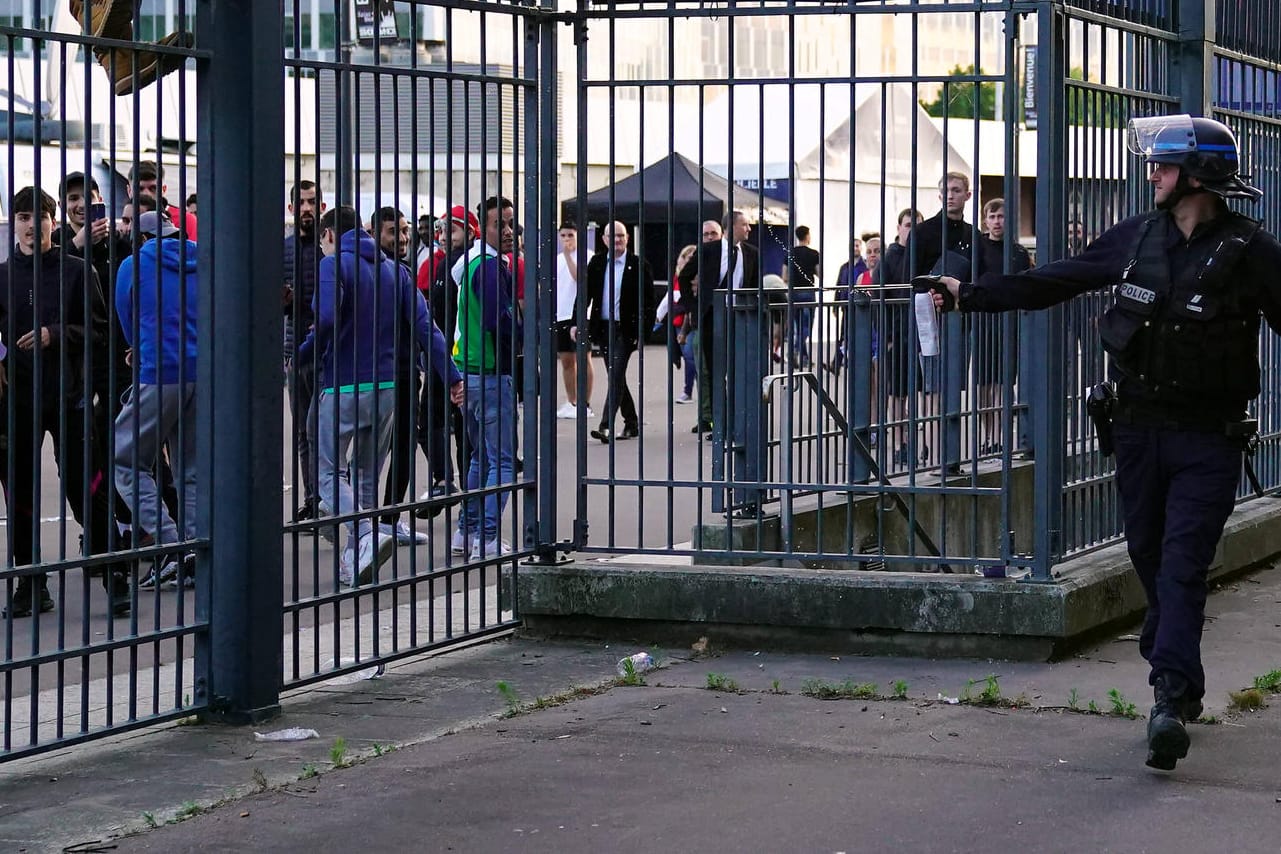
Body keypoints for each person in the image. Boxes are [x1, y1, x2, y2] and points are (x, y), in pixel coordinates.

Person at [933, 114, 1281, 772]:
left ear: (1196, 175)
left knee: (1181, 564)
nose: (1151, 174)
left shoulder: (1249, 250)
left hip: (1209, 438)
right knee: (1148, 554)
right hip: (1136, 430)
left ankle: (1168, 700)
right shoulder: (1136, 236)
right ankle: (1174, 660)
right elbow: (1056, 279)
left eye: (1163, 165)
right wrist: (971, 294)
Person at [299, 205, 463, 586]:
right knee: (367, 474)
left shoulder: (333, 263)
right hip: (387, 384)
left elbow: (324, 319)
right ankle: (357, 554)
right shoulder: (397, 271)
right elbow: (427, 328)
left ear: (327, 236)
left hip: (342, 383)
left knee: (327, 472)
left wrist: (304, 355)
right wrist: (451, 374)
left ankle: (365, 534)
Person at [0, 187, 129, 618]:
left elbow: (100, 332)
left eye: (40, 216)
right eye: (22, 216)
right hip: (17, 400)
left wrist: (56, 334)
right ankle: (30, 582)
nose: (32, 225)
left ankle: (115, 571)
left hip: (69, 395)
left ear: (53, 222)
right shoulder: (1, 276)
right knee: (19, 490)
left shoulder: (77, 271)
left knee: (84, 483)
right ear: (13, 223)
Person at [113, 211, 199, 589]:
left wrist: (140, 347)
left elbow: (126, 316)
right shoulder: (202, 257)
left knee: (125, 459)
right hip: (202, 373)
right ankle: (197, 549)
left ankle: (169, 542)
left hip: (159, 372)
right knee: (191, 469)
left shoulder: (134, 264)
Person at [452, 196, 522, 561]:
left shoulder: (472, 264)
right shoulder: (491, 268)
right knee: (503, 462)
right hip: (492, 374)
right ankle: (488, 539)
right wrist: (522, 358)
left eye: (511, 223)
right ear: (485, 228)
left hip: (469, 371)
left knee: (481, 457)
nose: (509, 231)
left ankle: (467, 529)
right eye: (500, 225)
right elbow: (500, 321)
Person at [371, 207, 430, 546]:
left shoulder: (405, 270)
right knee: (370, 451)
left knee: (405, 445)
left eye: (405, 231)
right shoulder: (373, 270)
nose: (404, 237)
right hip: (377, 372)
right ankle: (365, 521)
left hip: (407, 371)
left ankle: (388, 519)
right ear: (377, 233)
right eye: (395, 231)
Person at [415, 206, 474, 518]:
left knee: (465, 432)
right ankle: (445, 481)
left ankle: (458, 491)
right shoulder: (439, 264)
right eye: (441, 229)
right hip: (441, 356)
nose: (442, 235)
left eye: (452, 229)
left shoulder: (466, 263)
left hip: (460, 356)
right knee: (431, 424)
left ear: (470, 231)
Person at [684, 209, 760, 434]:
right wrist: (693, 306)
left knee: (738, 369)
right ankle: (722, 423)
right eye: (745, 224)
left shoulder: (752, 253)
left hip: (739, 316)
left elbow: (754, 286)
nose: (749, 229)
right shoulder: (709, 250)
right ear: (731, 227)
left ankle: (738, 420)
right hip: (712, 317)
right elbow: (684, 275)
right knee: (716, 371)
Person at [585, 221, 655, 443]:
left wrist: (643, 332)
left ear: (627, 238)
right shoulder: (596, 263)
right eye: (612, 236)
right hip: (604, 327)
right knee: (617, 376)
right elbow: (585, 294)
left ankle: (605, 425)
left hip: (626, 329)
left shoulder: (638, 264)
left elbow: (649, 302)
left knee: (615, 374)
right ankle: (632, 422)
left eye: (620, 236)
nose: (616, 240)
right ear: (604, 239)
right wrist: (578, 322)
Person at [973, 198, 1031, 454]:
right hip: (984, 320)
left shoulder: (1018, 252)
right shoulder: (978, 248)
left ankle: (997, 437)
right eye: (992, 217)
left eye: (1002, 217)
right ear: (985, 220)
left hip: (1010, 321)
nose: (997, 222)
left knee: (1003, 382)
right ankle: (989, 435)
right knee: (984, 384)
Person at [284, 181, 326, 522]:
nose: (307, 208)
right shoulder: (283, 249)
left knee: (324, 429)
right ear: (292, 209)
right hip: (296, 351)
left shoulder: (329, 248)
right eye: (301, 202)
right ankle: (313, 499)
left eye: (312, 202)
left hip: (328, 351)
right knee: (303, 432)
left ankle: (328, 497)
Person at [554, 221, 595, 419]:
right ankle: (572, 401)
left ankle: (584, 403)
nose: (566, 240)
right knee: (566, 361)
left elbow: (579, 277)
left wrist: (570, 255)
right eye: (563, 236)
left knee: (583, 357)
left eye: (570, 235)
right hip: (561, 313)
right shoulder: (557, 259)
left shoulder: (587, 257)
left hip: (580, 314)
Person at [128, 161, 197, 240]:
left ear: (163, 189)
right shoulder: (124, 220)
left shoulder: (185, 220)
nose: (146, 194)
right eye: (139, 189)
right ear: (129, 190)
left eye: (153, 188)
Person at [784, 225, 821, 368]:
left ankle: (804, 358)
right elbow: (819, 274)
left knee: (797, 326)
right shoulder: (813, 253)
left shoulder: (790, 252)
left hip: (793, 293)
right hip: (807, 292)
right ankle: (795, 350)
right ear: (807, 235)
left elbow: (784, 276)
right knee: (806, 326)